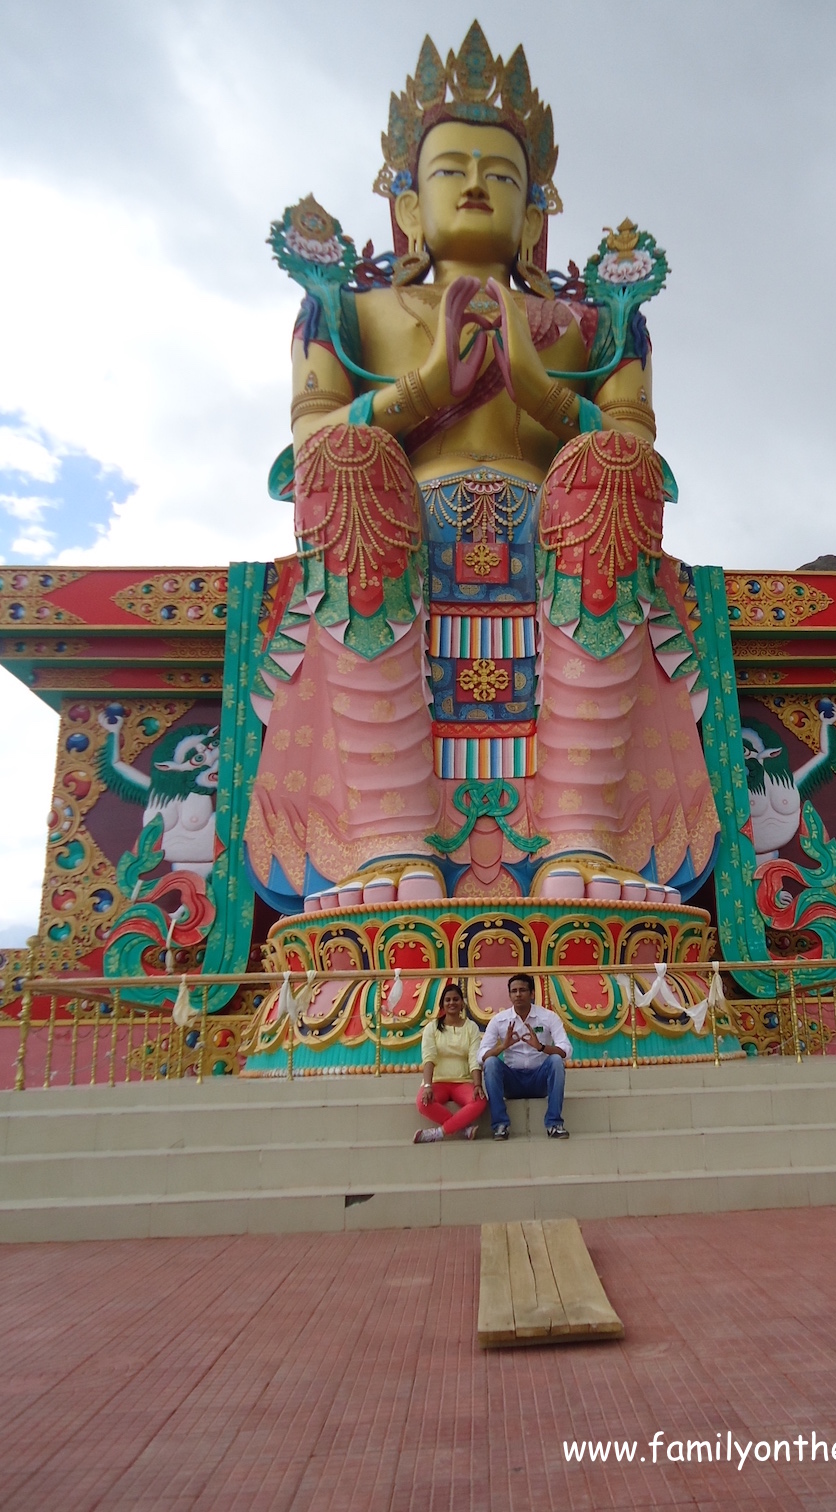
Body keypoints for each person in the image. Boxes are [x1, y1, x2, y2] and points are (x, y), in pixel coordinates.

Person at [244, 22, 719, 912]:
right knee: (346, 455)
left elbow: (636, 449)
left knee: (611, 466)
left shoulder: (596, 324)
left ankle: (582, 833)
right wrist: (422, 392)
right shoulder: (353, 311)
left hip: (562, 535)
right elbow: (310, 442)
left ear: (535, 214)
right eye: (450, 169)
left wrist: (541, 393)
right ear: (410, 208)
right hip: (394, 528)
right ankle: (390, 841)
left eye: (500, 175)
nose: (473, 185)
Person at [478, 972, 571, 1139]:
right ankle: (500, 1125)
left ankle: (554, 1124)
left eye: (522, 990)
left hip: (539, 1079)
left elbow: (566, 1050)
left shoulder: (548, 1017)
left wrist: (542, 1047)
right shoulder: (499, 1020)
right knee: (491, 1063)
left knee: (556, 1061)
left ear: (532, 993)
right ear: (509, 995)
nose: (518, 994)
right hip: (512, 1081)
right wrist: (503, 1046)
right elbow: (482, 1055)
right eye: (514, 991)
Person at [413, 982, 488, 1143]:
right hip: (438, 1081)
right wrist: (427, 1086)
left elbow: (474, 1058)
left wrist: (477, 1085)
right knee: (423, 1102)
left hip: (463, 1082)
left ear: (462, 1003)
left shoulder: (471, 1027)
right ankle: (462, 1129)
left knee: (480, 1101)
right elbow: (429, 1058)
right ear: (442, 1005)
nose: (452, 1003)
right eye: (447, 1000)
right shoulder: (432, 1028)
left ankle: (439, 1133)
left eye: (456, 999)